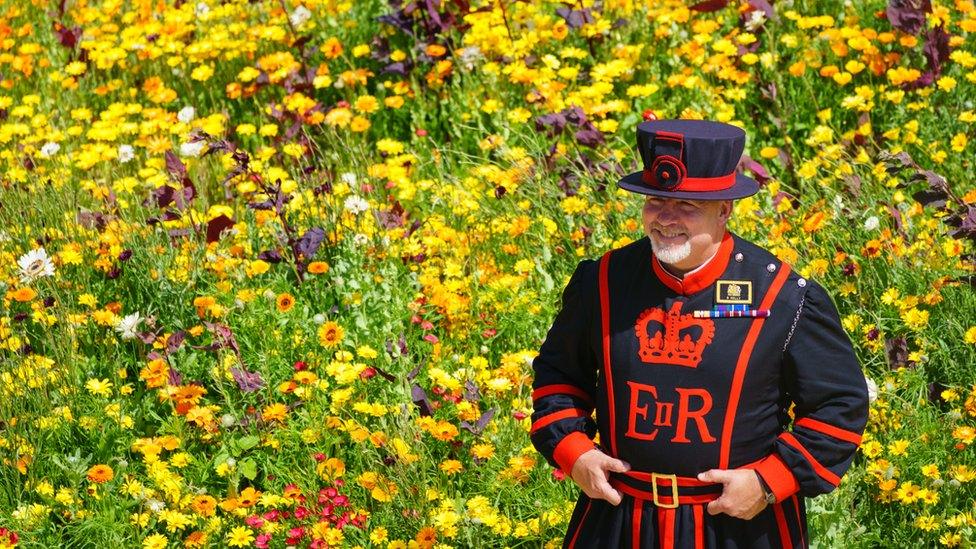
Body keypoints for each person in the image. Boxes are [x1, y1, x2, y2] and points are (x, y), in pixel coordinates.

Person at [530, 119, 869, 548]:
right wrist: (575, 453)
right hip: (619, 523)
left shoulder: (784, 296)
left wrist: (768, 481)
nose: (666, 218)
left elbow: (840, 405)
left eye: (687, 205)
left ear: (725, 209)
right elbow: (558, 378)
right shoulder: (601, 282)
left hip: (739, 528)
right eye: (655, 201)